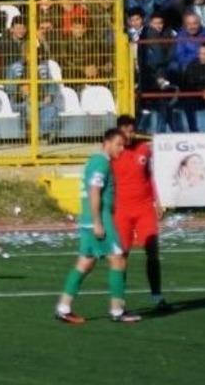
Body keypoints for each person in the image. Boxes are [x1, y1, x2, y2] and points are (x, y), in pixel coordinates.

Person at [55, 128, 141, 324]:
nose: (121, 149)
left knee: (86, 262)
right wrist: (98, 222)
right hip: (98, 218)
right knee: (117, 260)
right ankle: (117, 310)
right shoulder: (101, 162)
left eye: (124, 145)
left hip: (88, 218)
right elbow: (94, 192)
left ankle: (63, 307)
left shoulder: (95, 161)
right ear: (107, 143)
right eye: (119, 144)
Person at [112, 115, 168, 309]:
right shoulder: (112, 153)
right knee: (122, 255)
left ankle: (157, 296)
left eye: (131, 130)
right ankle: (119, 301)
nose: (128, 135)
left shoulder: (144, 148)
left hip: (144, 208)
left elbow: (149, 175)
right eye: (125, 131)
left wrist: (157, 201)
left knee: (152, 251)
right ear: (118, 131)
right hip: (122, 210)